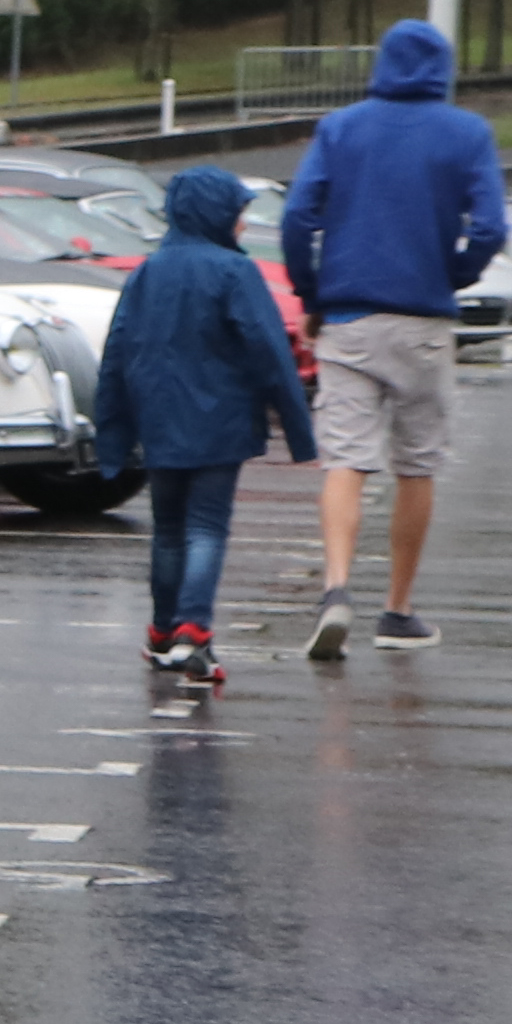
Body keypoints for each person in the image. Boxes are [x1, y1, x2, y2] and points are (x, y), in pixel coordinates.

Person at [280, 14, 508, 657]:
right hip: (423, 324)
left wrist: (312, 292)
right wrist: (452, 272)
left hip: (348, 318)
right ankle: (399, 611)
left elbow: (298, 217)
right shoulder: (467, 134)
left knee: (346, 460)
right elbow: (490, 227)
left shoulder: (341, 128)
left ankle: (335, 589)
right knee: (417, 466)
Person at [88, 164, 311, 683]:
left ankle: (163, 632)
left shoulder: (147, 271)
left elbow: (118, 350)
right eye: (238, 214)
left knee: (167, 528)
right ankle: (195, 631)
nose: (241, 225)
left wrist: (113, 427)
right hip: (223, 421)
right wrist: (298, 427)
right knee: (207, 526)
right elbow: (270, 351)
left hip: (159, 419)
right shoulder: (235, 273)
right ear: (217, 214)